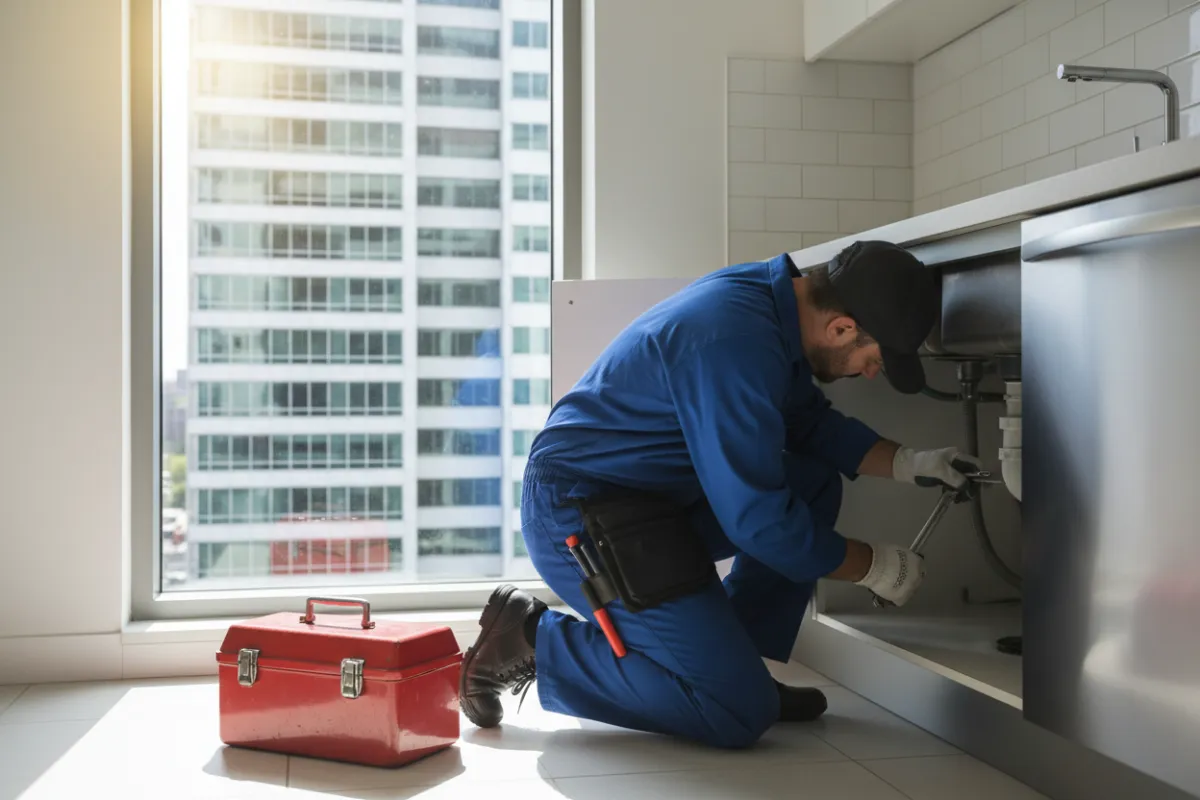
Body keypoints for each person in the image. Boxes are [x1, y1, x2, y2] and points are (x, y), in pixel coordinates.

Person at [458, 240, 981, 749]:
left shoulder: (772, 306)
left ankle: (733, 662)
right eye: (874, 358)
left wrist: (912, 463)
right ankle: (531, 639)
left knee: (812, 479)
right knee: (735, 712)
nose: (871, 371)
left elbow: (808, 426)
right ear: (841, 327)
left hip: (650, 503)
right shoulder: (733, 340)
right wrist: (872, 566)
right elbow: (760, 522)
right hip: (580, 514)